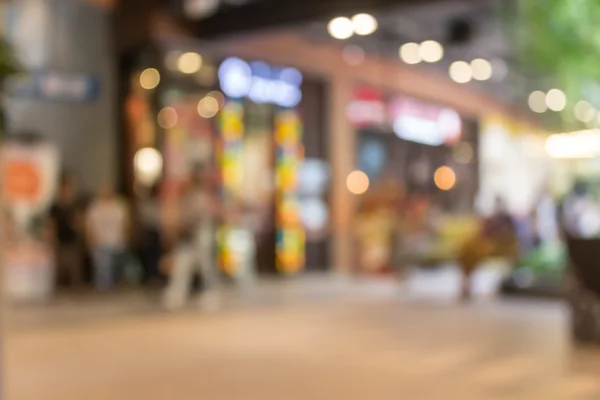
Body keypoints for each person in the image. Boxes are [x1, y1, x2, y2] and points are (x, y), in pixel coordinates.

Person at [162, 167, 221, 311]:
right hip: (187, 238)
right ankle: (176, 295)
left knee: (206, 268)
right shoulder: (183, 199)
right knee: (182, 268)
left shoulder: (199, 198)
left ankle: (211, 294)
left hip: (199, 237)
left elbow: (200, 217)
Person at [458, 197, 517, 300]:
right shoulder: (491, 219)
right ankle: (466, 285)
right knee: (467, 252)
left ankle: (466, 286)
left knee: (472, 252)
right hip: (486, 245)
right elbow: (483, 233)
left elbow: (507, 237)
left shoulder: (506, 220)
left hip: (499, 246)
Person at [85, 184, 129, 291]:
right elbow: (90, 225)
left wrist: (125, 237)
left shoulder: (119, 207)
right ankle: (103, 288)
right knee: (102, 268)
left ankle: (115, 285)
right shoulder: (96, 207)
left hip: (117, 241)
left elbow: (125, 224)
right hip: (101, 242)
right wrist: (91, 240)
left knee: (115, 267)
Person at [50, 175, 84, 288]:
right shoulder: (55, 206)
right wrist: (53, 238)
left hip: (72, 239)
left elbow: (79, 221)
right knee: (60, 267)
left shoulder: (74, 205)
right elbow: (52, 224)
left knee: (74, 267)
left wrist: (77, 225)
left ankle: (75, 287)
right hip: (60, 240)